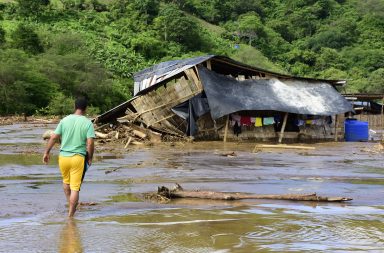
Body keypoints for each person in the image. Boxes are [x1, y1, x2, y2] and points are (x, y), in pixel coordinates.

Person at [43, 98, 95, 217]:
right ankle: (71, 215)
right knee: (75, 187)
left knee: (66, 183)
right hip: (78, 158)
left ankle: (70, 204)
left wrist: (46, 152)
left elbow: (54, 137)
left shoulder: (64, 120)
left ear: (74, 106)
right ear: (86, 108)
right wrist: (90, 157)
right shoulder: (87, 123)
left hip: (63, 158)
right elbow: (90, 143)